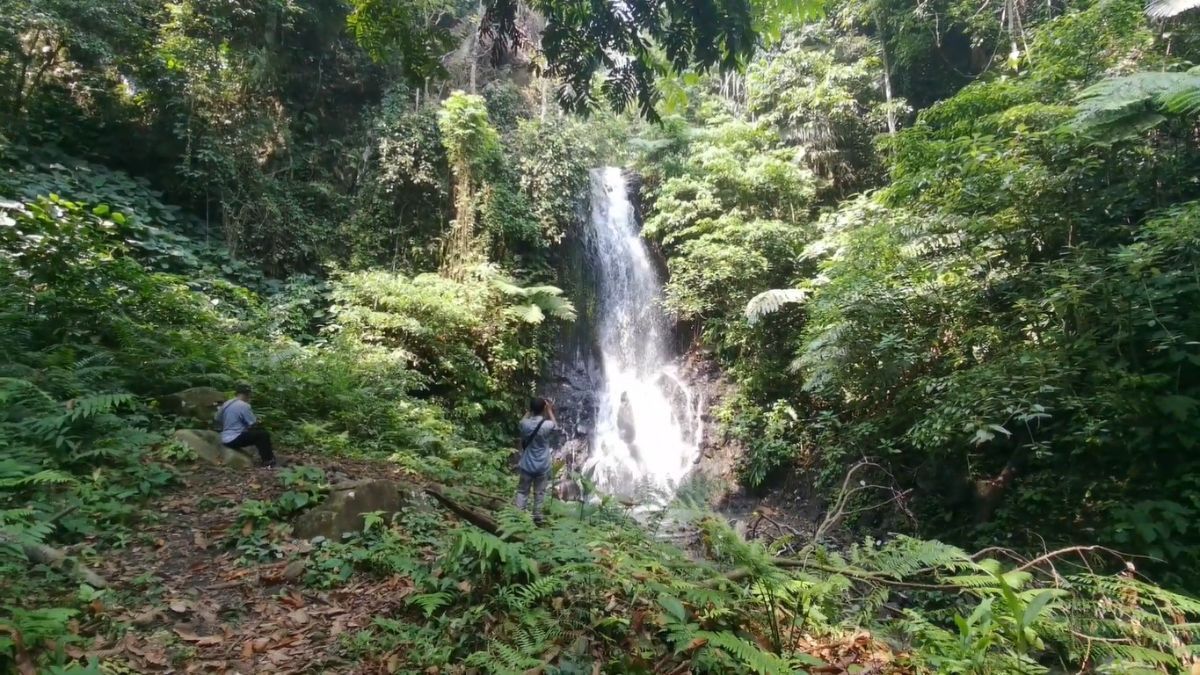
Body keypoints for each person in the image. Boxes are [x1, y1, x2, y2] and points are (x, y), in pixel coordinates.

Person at [215, 383, 277, 469]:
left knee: (257, 434)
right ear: (248, 394)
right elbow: (253, 424)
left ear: (236, 393)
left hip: (224, 438)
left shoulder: (226, 403)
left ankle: (267, 458)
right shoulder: (244, 405)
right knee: (263, 434)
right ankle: (268, 461)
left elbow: (217, 418)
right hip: (234, 439)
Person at [516, 397, 556, 524]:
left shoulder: (525, 424)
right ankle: (537, 518)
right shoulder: (547, 425)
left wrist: (528, 411)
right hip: (542, 465)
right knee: (539, 493)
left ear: (531, 409)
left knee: (522, 491)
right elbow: (555, 425)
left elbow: (521, 421)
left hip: (527, 464)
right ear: (544, 408)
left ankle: (517, 516)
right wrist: (549, 411)